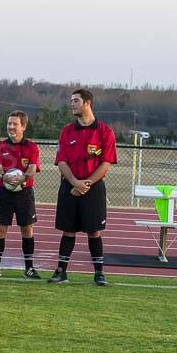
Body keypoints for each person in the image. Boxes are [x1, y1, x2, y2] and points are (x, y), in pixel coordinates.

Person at [50, 88, 117, 286]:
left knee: (94, 231)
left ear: (87, 103)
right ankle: (61, 271)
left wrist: (85, 184)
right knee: (68, 231)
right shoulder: (67, 131)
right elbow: (61, 161)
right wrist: (75, 183)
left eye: (75, 101)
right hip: (70, 187)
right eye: (71, 101)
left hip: (93, 189)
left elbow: (106, 163)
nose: (71, 104)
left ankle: (99, 273)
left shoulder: (105, 131)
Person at [0, 110, 41, 278]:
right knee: (0, 229)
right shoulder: (0, 146)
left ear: (23, 126)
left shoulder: (31, 147)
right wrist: (5, 177)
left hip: (24, 193)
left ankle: (29, 268)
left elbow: (33, 168)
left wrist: (22, 178)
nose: (11, 127)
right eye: (9, 123)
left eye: (15, 124)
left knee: (27, 229)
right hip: (4, 192)